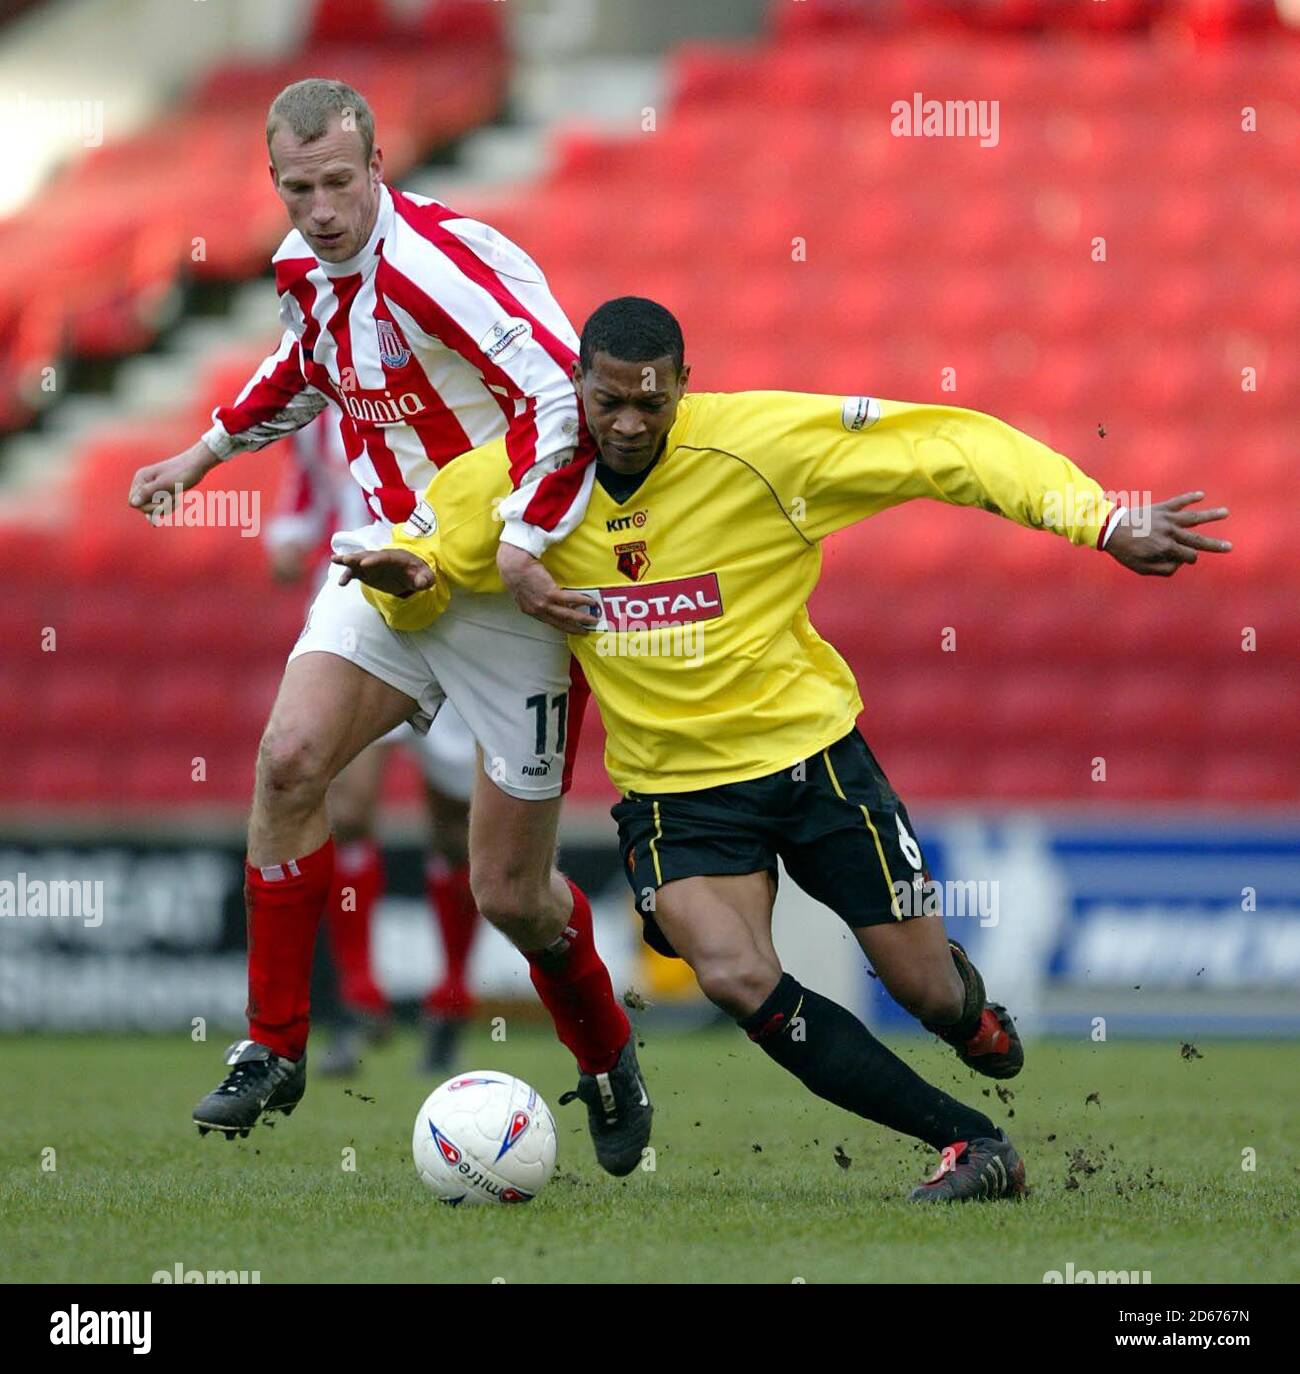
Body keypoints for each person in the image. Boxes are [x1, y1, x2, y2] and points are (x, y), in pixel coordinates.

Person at [336, 295, 1231, 1202]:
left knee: (923, 991)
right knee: (732, 974)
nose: (632, 423)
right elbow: (420, 577)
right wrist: (399, 592)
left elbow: (949, 442)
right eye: (611, 403)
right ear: (578, 385)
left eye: (654, 402)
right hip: (674, 791)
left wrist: (1102, 521)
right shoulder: (510, 485)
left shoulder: (763, 445)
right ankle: (972, 1143)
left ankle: (966, 1015)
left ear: (687, 385)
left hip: (813, 759)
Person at [127, 81, 650, 1174]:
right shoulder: (300, 267)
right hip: (389, 564)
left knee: (513, 893)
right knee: (288, 761)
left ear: (378, 167)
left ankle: (605, 1057)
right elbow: (307, 366)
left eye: (337, 184)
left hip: (506, 588)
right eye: (297, 187)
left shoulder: (434, 267)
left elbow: (564, 398)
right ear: (277, 180)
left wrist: (516, 539)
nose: (319, 209)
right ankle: (274, 1044)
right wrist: (204, 453)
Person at [265, 407, 481, 1075]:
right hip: (353, 608)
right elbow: (309, 486)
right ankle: (361, 998)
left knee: (453, 828)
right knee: (348, 809)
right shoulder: (321, 383)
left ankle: (451, 998)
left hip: (447, 610)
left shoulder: (442, 372)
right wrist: (291, 533)